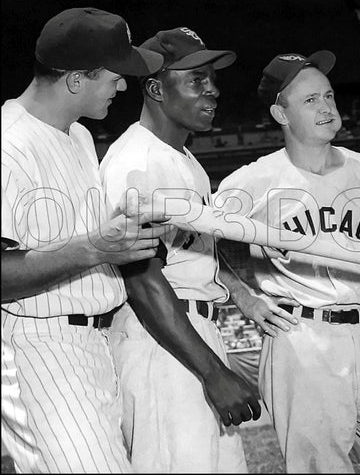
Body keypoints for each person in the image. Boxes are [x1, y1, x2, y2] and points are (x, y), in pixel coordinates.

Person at [214, 50, 360, 473]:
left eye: (329, 95)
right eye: (310, 100)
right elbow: (190, 245)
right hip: (303, 340)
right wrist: (245, 300)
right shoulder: (251, 181)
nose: (327, 107)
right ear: (280, 113)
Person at [1, 7, 167, 473]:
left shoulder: (76, 135)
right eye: (115, 76)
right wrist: (95, 248)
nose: (122, 85)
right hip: (39, 345)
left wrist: (118, 229)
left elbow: (68, 236)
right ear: (76, 79)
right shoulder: (8, 144)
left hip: (91, 342)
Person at [99, 27, 262, 473]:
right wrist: (212, 371)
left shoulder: (183, 158)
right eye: (196, 80)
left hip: (188, 334)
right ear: (155, 88)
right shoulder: (138, 161)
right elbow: (142, 277)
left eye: (212, 78)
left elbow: (188, 247)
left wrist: (241, 294)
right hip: (162, 344)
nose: (213, 90)